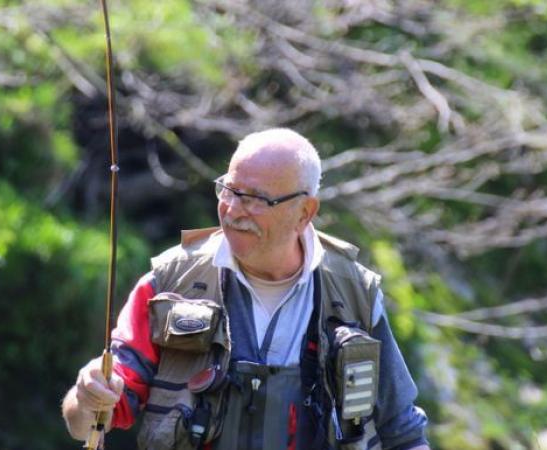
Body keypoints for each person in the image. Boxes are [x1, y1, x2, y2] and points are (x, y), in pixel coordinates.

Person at [62, 128, 431, 450]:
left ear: (305, 212)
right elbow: (88, 422)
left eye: (255, 199)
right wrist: (88, 394)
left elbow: (403, 432)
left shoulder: (355, 293)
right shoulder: (170, 282)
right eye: (229, 190)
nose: (234, 210)